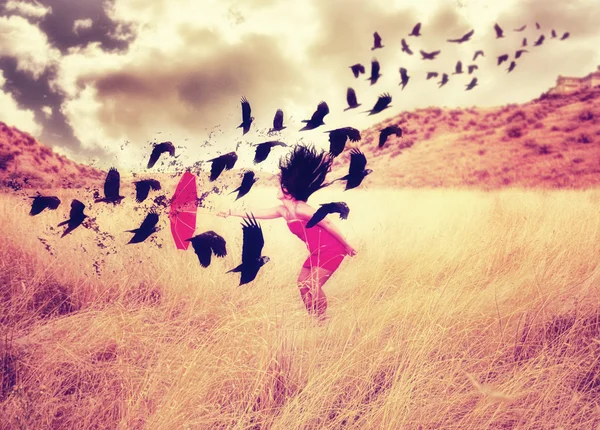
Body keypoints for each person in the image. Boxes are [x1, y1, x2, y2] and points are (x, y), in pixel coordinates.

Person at [217, 144, 357, 320]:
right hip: (315, 252)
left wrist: (346, 245)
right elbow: (258, 213)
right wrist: (230, 213)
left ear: (288, 192)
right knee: (302, 284)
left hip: (332, 250)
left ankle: (323, 320)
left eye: (280, 186)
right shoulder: (283, 210)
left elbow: (327, 222)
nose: (277, 188)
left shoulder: (301, 209)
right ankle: (313, 318)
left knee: (313, 284)